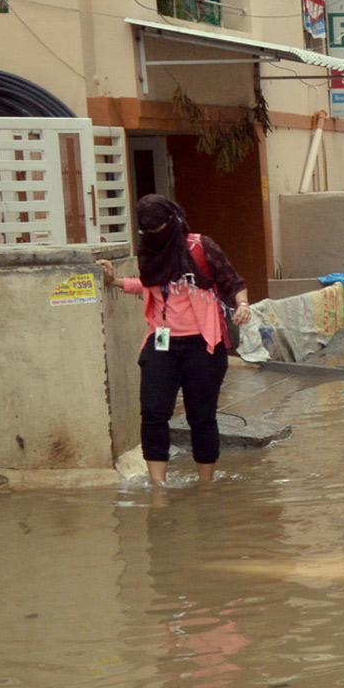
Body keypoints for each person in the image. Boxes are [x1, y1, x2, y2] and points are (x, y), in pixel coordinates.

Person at [99, 195, 252, 485]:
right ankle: (159, 488)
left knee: (201, 417)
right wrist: (115, 281)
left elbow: (233, 282)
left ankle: (206, 486)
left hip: (203, 345)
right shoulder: (150, 253)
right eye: (147, 231)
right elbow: (148, 284)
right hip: (162, 341)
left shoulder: (200, 247)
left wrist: (242, 305)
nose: (153, 236)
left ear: (172, 221)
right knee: (153, 413)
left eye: (158, 229)